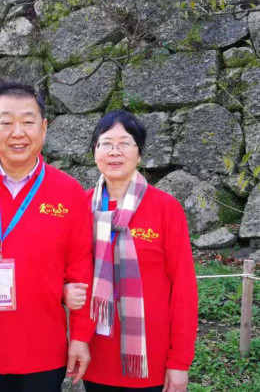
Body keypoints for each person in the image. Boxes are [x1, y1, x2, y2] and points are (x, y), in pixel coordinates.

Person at [0, 82, 94, 392]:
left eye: (27, 122)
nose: (18, 132)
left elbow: (81, 271)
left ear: (44, 128)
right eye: (6, 122)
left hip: (43, 353)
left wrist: (80, 336)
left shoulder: (69, 193)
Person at [64, 110, 198, 392]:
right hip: (95, 352)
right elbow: (65, 269)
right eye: (106, 144)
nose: (115, 152)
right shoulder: (80, 206)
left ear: (139, 154)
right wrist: (64, 289)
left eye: (124, 143)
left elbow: (184, 289)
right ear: (94, 151)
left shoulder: (165, 209)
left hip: (149, 356)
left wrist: (180, 362)